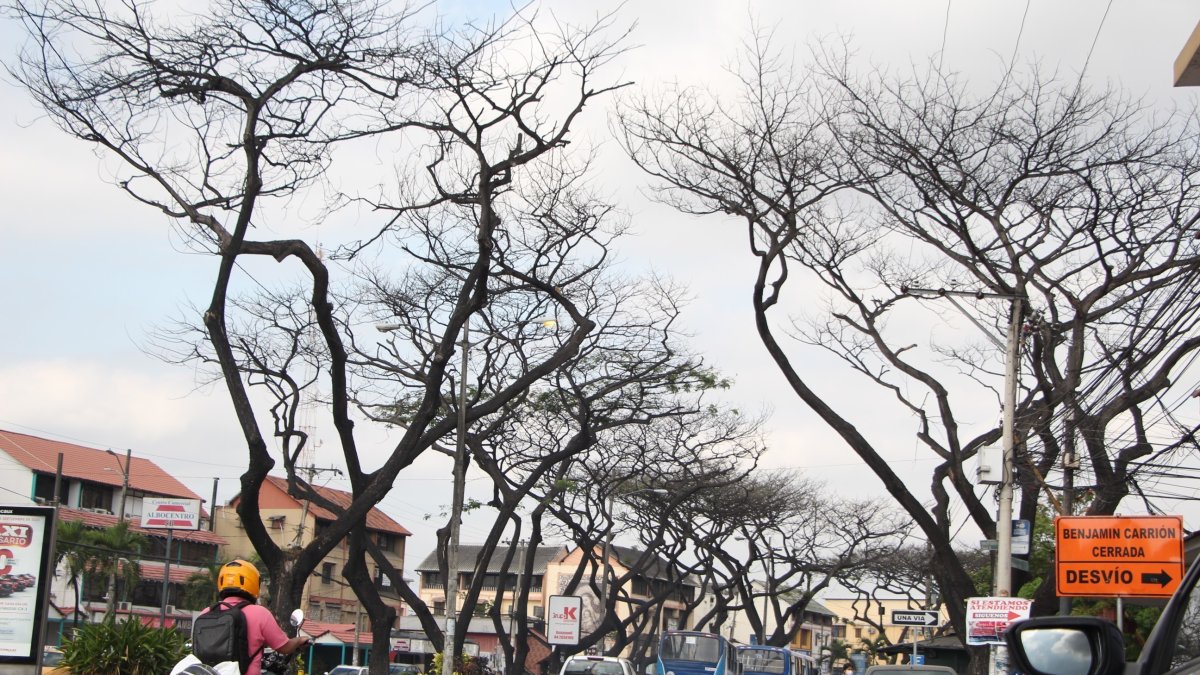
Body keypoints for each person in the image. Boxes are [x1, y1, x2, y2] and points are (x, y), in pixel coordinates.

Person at [202, 559, 310, 675]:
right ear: (253, 582)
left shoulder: (206, 613)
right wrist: (299, 640)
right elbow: (285, 647)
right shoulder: (259, 614)